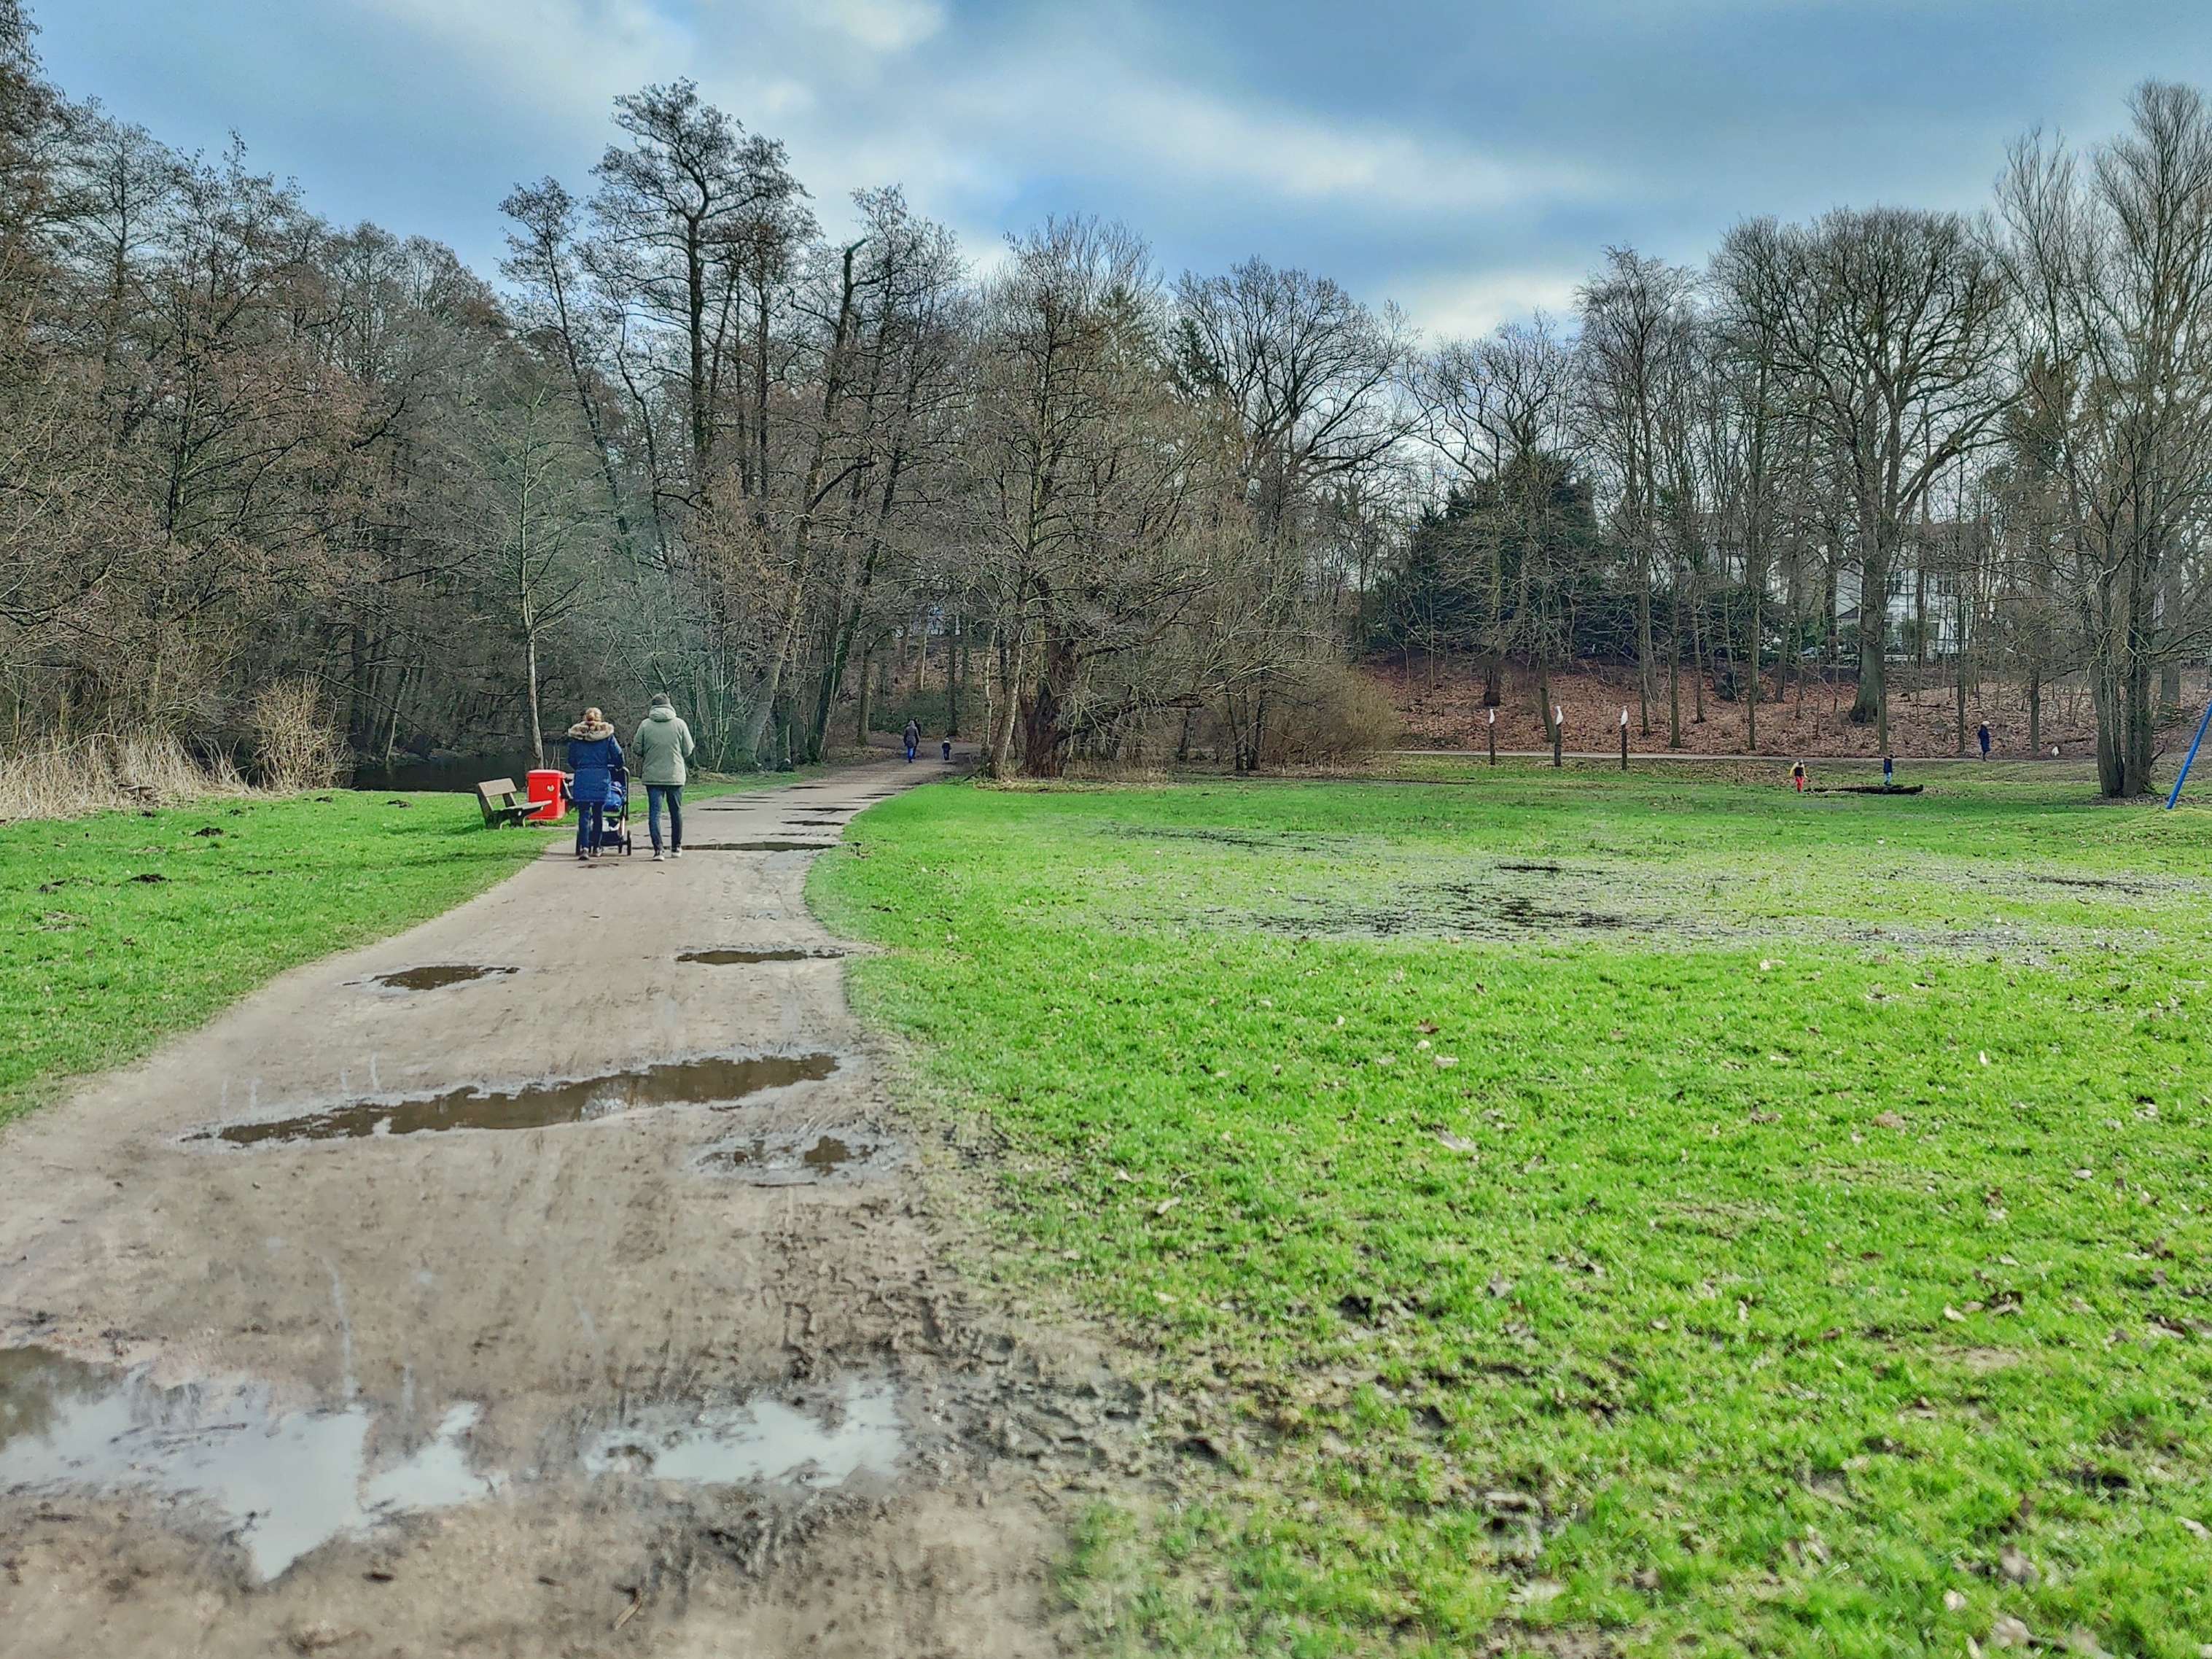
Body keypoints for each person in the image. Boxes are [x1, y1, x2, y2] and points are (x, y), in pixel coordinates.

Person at [631, 693, 696, 862]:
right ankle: (676, 847)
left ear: (653, 706)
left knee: (655, 813)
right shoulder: (680, 724)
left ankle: (658, 850)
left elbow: (637, 748)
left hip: (653, 775)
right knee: (676, 812)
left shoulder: (645, 725)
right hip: (675, 775)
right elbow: (688, 749)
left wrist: (649, 753)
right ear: (669, 705)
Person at [564, 707, 622, 863]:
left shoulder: (577, 737)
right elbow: (617, 755)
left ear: (585, 719)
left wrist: (580, 767)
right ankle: (597, 847)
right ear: (600, 719)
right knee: (598, 813)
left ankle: (584, 847)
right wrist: (617, 766)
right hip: (601, 777)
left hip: (583, 776)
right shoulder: (607, 736)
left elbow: (571, 759)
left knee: (584, 814)